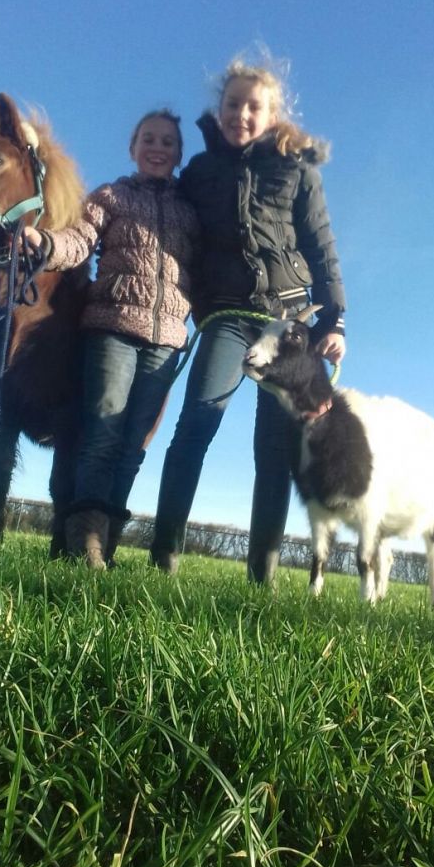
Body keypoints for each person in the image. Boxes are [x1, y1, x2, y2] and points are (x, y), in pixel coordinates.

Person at [149, 57, 346, 583]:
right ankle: (162, 555)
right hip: (228, 320)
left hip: (288, 323)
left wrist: (336, 321)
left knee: (276, 449)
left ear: (272, 113)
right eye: (232, 104)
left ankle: (262, 574)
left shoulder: (296, 169)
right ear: (220, 108)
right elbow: (177, 236)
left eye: (253, 106)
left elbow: (320, 246)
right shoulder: (199, 173)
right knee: (196, 423)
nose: (241, 114)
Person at [23, 109, 200, 567]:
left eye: (167, 142)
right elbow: (79, 240)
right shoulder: (111, 195)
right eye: (148, 139)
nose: (157, 148)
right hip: (113, 329)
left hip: (165, 342)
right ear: (133, 148)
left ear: (179, 154)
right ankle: (84, 542)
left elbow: (203, 270)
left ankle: (107, 542)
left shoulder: (190, 210)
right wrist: (46, 246)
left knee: (133, 447)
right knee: (102, 431)